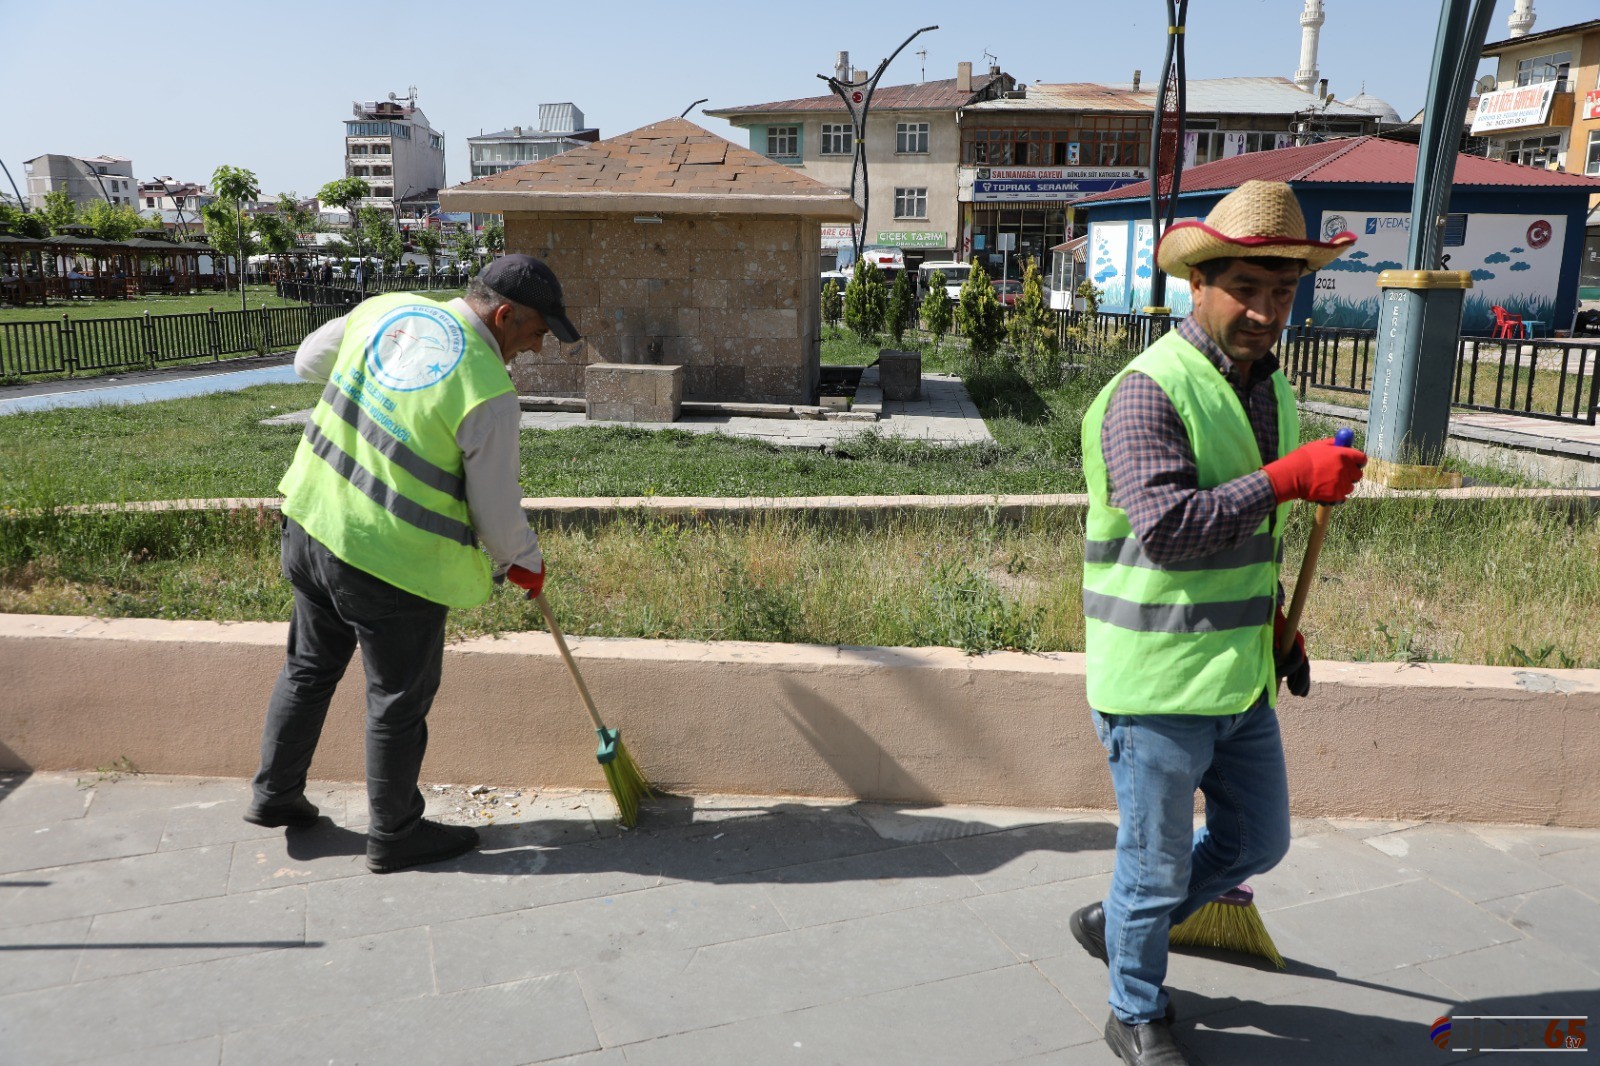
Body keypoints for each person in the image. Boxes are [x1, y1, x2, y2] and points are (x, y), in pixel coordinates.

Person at [1070, 181, 1367, 1066]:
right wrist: (1288, 479)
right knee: (1156, 866)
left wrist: (1279, 623)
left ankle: (1123, 916)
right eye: (1247, 287)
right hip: (1156, 685)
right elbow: (1168, 530)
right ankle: (1134, 1005)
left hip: (1238, 677)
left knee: (1256, 841)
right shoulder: (1144, 393)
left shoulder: (1264, 388)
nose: (1266, 311)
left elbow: (1249, 538)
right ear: (1197, 282)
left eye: (1283, 292)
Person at [247, 254, 581, 874]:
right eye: (536, 333)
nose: (536, 349)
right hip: (389, 563)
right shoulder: (488, 391)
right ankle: (395, 833)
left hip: (313, 524)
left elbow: (308, 363)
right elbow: (496, 509)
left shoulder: (388, 310)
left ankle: (274, 794)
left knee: (308, 669)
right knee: (397, 699)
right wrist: (523, 564)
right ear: (504, 316)